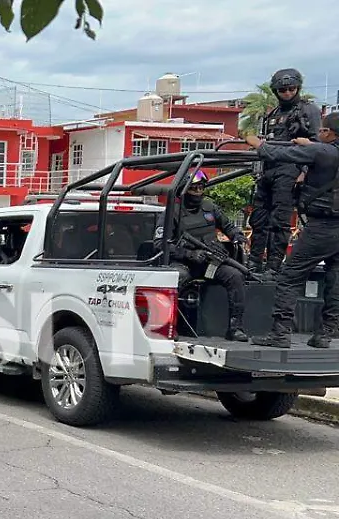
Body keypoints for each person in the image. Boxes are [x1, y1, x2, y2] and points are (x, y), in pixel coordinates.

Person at [247, 113, 339, 347]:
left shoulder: (321, 152)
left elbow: (279, 154)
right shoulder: (322, 149)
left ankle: (280, 335)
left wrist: (258, 144)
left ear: (328, 133)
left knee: (289, 277)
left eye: (322, 131)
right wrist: (312, 144)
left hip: (322, 227)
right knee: (335, 280)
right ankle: (325, 335)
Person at [135, 170, 251, 341]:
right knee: (176, 278)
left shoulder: (210, 207)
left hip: (208, 263)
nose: (198, 192)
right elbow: (160, 244)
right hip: (183, 262)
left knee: (235, 276)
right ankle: (167, 326)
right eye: (194, 188)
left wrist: (237, 235)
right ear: (184, 189)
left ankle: (235, 328)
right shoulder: (171, 212)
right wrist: (189, 254)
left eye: (201, 188)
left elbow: (228, 226)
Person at [248, 68, 322, 273]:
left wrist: (304, 173)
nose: (287, 93)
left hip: (291, 169)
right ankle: (254, 262)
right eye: (283, 90)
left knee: (279, 221)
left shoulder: (308, 110)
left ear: (298, 88)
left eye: (291, 88)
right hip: (268, 169)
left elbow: (316, 146)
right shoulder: (272, 113)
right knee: (259, 218)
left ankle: (273, 264)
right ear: (276, 91)